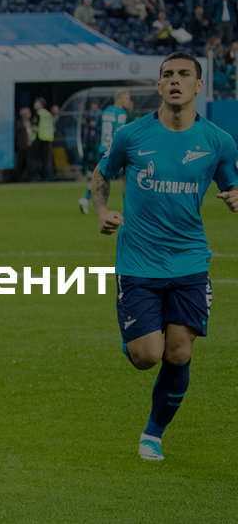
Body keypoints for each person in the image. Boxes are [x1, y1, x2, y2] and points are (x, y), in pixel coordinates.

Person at [91, 52, 238, 461]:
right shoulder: (131, 136)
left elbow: (232, 182)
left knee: (179, 351)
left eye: (184, 74)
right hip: (139, 261)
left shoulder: (218, 141)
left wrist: (235, 195)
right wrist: (101, 211)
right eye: (167, 74)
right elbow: (103, 172)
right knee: (146, 356)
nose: (175, 80)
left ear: (198, 85)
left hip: (190, 260)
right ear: (158, 86)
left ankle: (153, 434)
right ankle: (136, 340)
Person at [80, 90, 131, 213]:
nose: (129, 101)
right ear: (120, 99)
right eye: (127, 98)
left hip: (103, 148)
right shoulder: (121, 113)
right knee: (127, 177)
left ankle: (85, 199)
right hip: (115, 149)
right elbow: (119, 132)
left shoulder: (107, 110)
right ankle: (128, 209)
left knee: (100, 177)